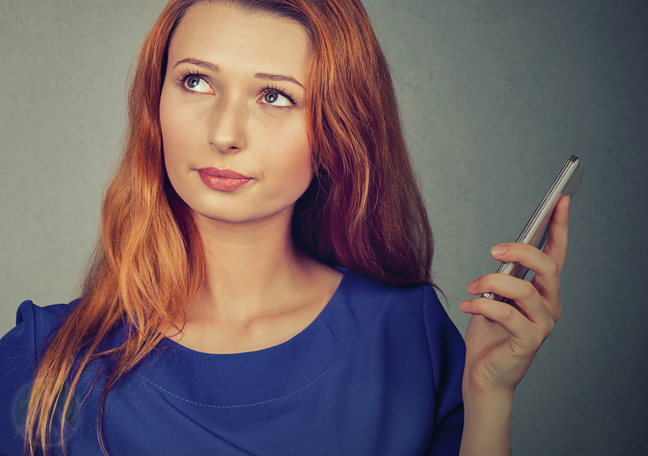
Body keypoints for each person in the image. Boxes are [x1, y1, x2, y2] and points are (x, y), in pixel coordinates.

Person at [0, 0, 569, 454]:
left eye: (274, 96)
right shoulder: (44, 355)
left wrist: (489, 398)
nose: (225, 132)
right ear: (156, 102)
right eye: (196, 81)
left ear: (339, 129)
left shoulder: (407, 333)